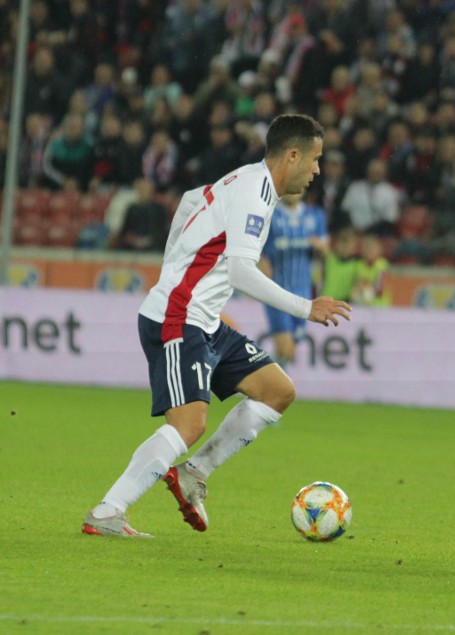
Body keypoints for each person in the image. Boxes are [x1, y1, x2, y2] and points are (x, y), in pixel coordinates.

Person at [82, 114, 352, 537]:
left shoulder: (248, 180)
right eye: (315, 159)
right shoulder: (255, 195)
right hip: (177, 317)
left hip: (204, 320)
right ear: (293, 155)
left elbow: (191, 199)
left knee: (277, 391)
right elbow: (243, 272)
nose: (318, 170)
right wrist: (306, 308)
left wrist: (173, 261)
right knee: (189, 424)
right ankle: (107, 512)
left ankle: (194, 474)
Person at [258, 191, 329, 366]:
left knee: (289, 353)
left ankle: (266, 389)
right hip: (277, 293)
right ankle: (270, 389)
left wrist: (319, 247)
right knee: (285, 348)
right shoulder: (270, 215)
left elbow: (326, 251)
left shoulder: (315, 215)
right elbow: (260, 254)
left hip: (303, 294)